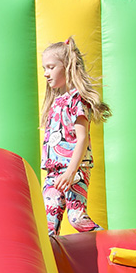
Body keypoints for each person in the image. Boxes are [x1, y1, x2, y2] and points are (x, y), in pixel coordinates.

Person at [40, 37, 111, 235]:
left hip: (75, 169)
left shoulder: (76, 100)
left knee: (77, 218)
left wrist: (71, 172)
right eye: (44, 68)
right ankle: (52, 263)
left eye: (51, 67)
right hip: (54, 172)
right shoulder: (55, 102)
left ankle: (109, 242)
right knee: (49, 221)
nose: (46, 73)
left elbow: (82, 138)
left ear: (67, 66)